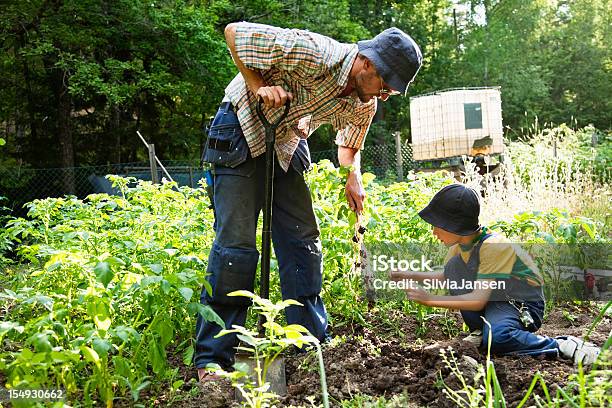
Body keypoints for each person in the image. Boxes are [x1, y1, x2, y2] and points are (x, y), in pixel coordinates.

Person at [195, 22, 423, 383]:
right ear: (366, 62)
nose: (384, 94)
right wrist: (259, 86)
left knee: (303, 243)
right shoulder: (315, 52)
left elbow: (349, 145)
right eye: (384, 84)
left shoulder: (363, 103)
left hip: (284, 139)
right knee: (236, 248)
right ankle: (214, 358)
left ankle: (310, 342)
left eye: (391, 92)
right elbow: (233, 32)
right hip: (241, 126)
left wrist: (353, 176)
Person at [391, 184, 601, 365]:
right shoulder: (462, 245)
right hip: (494, 300)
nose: (434, 232)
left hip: (522, 303)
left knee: (499, 338)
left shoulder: (493, 246)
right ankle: (483, 332)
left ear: (454, 226)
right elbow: (448, 276)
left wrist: (430, 300)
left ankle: (561, 345)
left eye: (437, 226)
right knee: (453, 267)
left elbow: (477, 300)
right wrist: (410, 275)